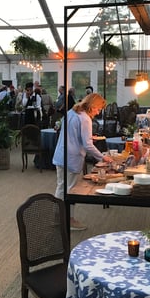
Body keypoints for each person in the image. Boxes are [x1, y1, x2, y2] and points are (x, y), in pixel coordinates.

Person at [52, 93, 113, 231]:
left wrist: (89, 137)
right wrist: (102, 157)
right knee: (71, 189)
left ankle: (57, 217)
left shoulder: (72, 112)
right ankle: (69, 220)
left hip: (61, 154)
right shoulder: (85, 118)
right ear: (92, 106)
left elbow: (72, 134)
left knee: (61, 187)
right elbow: (87, 145)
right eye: (98, 109)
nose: (98, 112)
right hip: (72, 157)